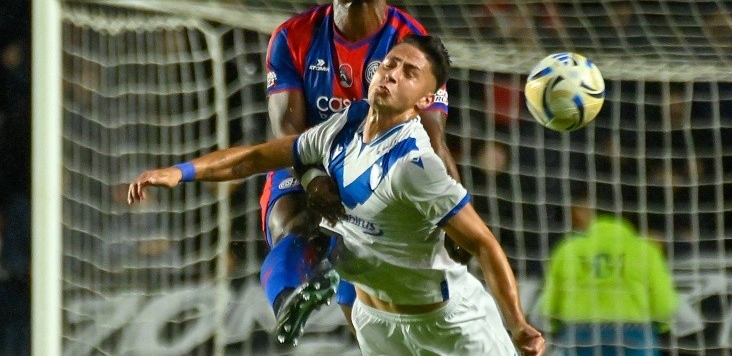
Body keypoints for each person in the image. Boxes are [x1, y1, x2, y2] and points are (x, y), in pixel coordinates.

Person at [128, 35, 547, 356]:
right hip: (377, 324)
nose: (392, 74)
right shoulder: (344, 126)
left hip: (451, 325)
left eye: (409, 73)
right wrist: (180, 173)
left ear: (423, 101)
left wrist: (516, 324)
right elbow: (255, 157)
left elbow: (483, 243)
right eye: (390, 63)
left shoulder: (416, 167)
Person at [253, 0, 466, 345]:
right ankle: (290, 302)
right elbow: (288, 130)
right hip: (310, 156)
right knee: (289, 224)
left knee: (370, 320)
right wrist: (314, 179)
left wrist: (456, 213)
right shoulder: (292, 38)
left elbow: (434, 136)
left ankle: (342, 277)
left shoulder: (412, 45)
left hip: (381, 164)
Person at [538, 190, 678, 356]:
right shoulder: (645, 250)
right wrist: (661, 326)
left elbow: (549, 307)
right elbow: (664, 305)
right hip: (634, 332)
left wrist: (555, 326)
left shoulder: (568, 249)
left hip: (579, 332)